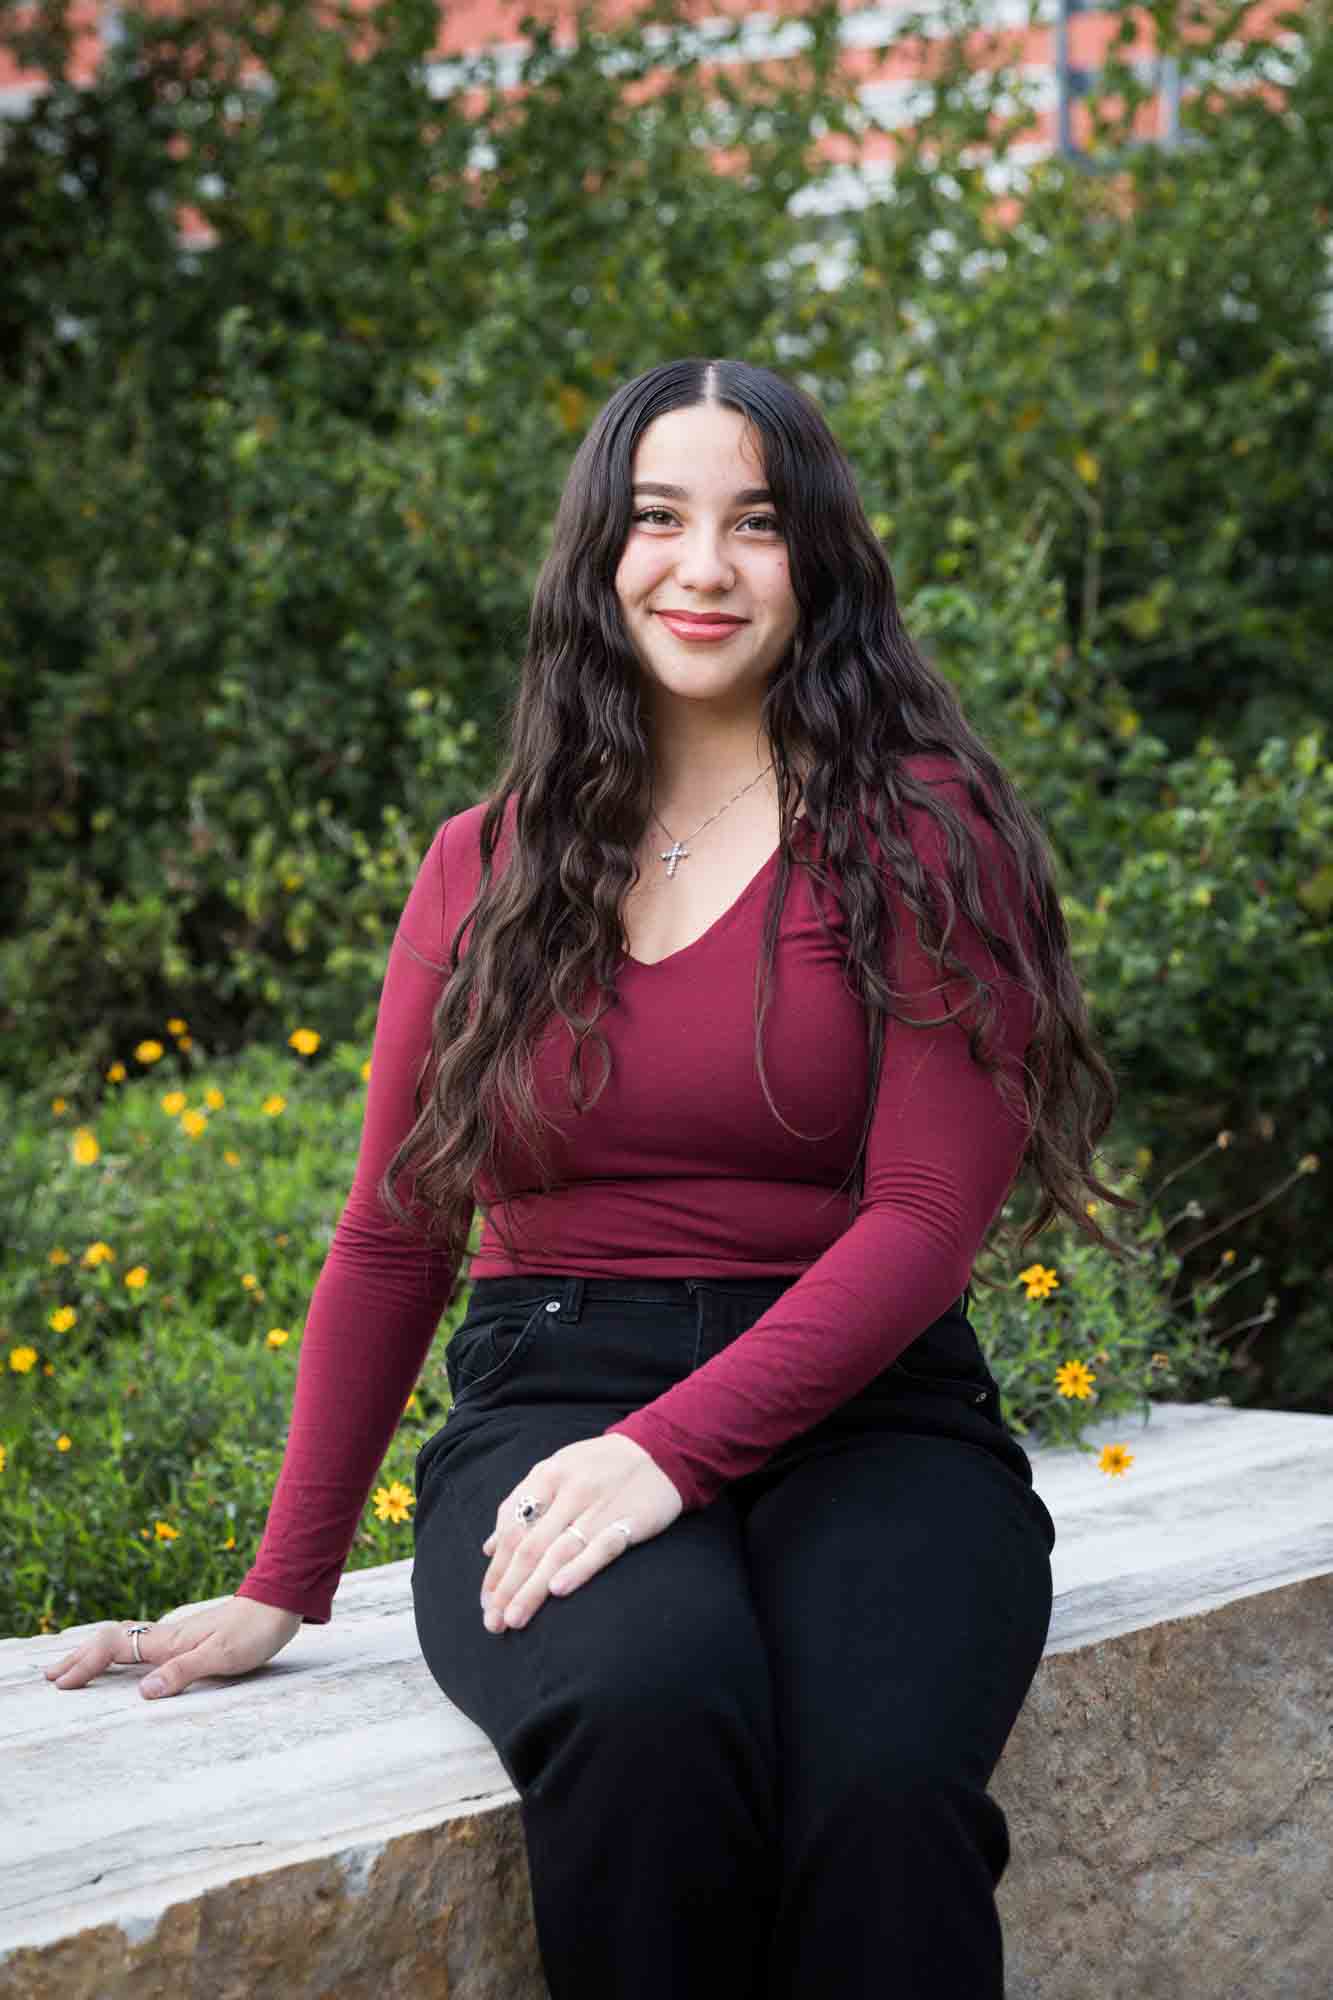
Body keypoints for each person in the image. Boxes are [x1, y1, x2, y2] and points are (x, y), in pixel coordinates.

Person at [45, 357, 1130, 1999]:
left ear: (817, 558)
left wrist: (669, 1455)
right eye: (658, 519)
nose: (703, 567)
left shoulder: (922, 829)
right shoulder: (486, 863)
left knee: (883, 1796)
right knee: (643, 1724)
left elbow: (923, 1218)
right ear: (595, 556)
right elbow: (396, 1228)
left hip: (875, 1414)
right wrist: (286, 1582)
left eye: (755, 523)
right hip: (551, 1396)